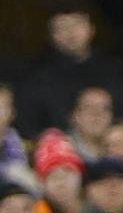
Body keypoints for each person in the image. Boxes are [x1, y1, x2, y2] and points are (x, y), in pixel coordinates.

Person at [22, 8, 103, 136]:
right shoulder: (37, 80)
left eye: (77, 23)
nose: (71, 33)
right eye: (61, 27)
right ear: (51, 37)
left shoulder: (115, 73)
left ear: (92, 29)